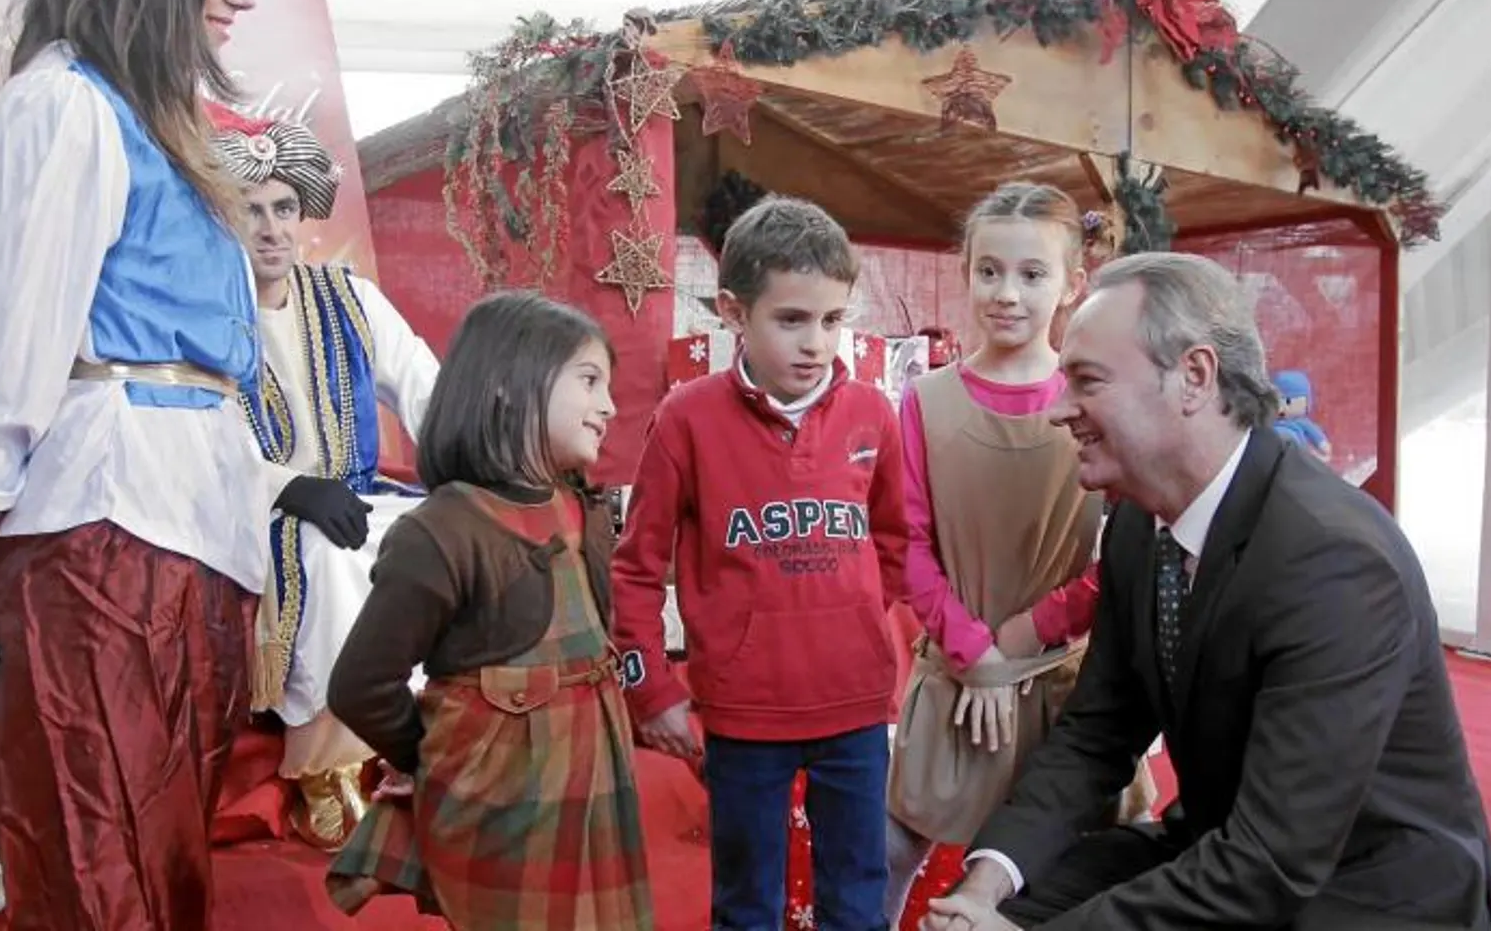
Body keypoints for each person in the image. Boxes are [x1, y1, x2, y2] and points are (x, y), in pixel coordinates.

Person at [925, 252, 1491, 931]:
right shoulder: (1136, 526)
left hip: (1365, 888)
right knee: (1011, 905)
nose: (1059, 409)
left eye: (1086, 380)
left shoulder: (1333, 557)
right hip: (1227, 848)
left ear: (1195, 377)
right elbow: (1097, 734)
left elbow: (1274, 861)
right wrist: (983, 888)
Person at [0, 0, 263, 927]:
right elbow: (6, 331)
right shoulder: (65, 103)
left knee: (159, 861)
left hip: (187, 525)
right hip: (105, 532)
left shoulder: (159, 120)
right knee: (101, 868)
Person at [610, 196, 911, 931]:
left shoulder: (874, 413)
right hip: (743, 718)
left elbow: (896, 542)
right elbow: (636, 566)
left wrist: (869, 635)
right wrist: (652, 689)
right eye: (792, 319)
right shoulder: (685, 418)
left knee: (858, 900)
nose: (817, 342)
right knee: (747, 906)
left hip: (856, 712)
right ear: (733, 311)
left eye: (833, 320)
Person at [322, 291, 652, 930]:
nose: (609, 405)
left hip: (592, 791)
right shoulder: (442, 532)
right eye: (589, 380)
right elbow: (362, 685)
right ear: (508, 383)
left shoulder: (583, 512)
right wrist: (440, 759)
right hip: (502, 808)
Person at [884, 184, 1154, 923]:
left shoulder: (1092, 399)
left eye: (1032, 275)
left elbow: (1127, 549)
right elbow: (904, 540)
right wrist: (976, 650)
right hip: (955, 675)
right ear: (966, 271)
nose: (1007, 293)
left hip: (1063, 686)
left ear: (1072, 284)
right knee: (890, 853)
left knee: (1071, 866)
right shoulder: (924, 402)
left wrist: (1031, 629)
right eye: (989, 271)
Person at [211, 115, 441, 848]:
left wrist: (471, 462)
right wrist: (287, 487)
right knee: (325, 553)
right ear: (223, 214)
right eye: (251, 209)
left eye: (283, 208)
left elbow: (423, 385)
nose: (271, 228)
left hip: (361, 492)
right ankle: (326, 761)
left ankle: (430, 737)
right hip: (260, 509)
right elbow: (198, 443)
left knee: (438, 537)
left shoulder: (349, 297)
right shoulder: (205, 315)